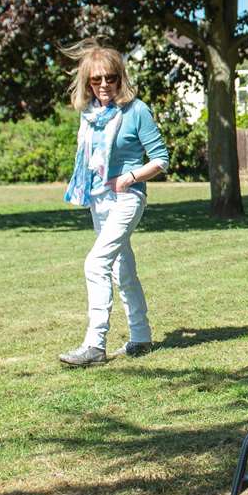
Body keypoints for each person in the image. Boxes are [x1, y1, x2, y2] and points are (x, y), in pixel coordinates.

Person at [58, 41, 171, 368]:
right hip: (99, 199)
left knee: (95, 264)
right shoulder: (89, 114)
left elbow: (161, 159)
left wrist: (130, 177)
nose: (104, 85)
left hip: (127, 198)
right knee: (123, 269)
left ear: (120, 78)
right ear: (87, 82)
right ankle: (141, 336)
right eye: (96, 80)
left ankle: (94, 344)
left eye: (110, 78)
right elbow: (87, 158)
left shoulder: (136, 111)